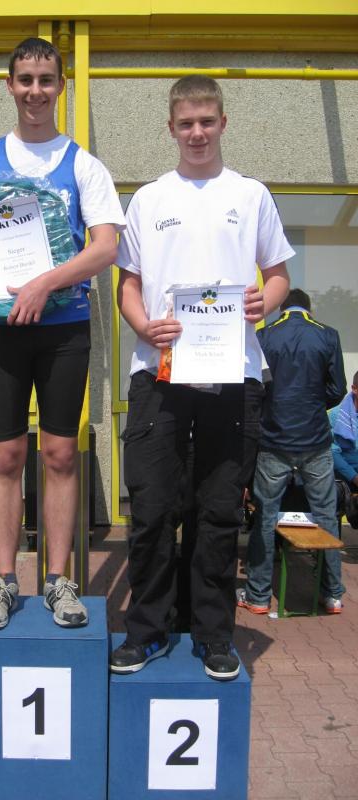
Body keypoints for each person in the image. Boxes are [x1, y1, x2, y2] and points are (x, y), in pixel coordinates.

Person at [0, 38, 124, 631]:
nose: (36, 90)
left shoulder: (83, 165)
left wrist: (44, 284)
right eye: (26, 79)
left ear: (61, 86)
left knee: (60, 454)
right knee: (7, 455)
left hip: (63, 328)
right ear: (9, 86)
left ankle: (58, 581)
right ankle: (5, 580)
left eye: (46, 79)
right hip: (0, 330)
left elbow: (106, 248)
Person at [112, 75, 293, 680]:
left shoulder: (251, 194)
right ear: (171, 128)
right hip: (159, 374)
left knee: (218, 512)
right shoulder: (149, 199)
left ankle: (214, 634)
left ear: (223, 124)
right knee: (152, 509)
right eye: (186, 123)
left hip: (233, 375)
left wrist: (264, 300)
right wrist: (144, 325)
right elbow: (129, 285)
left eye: (206, 122)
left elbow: (277, 275)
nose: (197, 133)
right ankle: (146, 631)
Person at [237, 289, 346, 616]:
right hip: (315, 440)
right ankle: (332, 595)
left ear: (282, 308)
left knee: (265, 517)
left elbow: (256, 387)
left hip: (274, 439)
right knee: (326, 515)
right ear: (308, 309)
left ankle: (258, 596)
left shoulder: (265, 335)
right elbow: (337, 389)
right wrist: (313, 407)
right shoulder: (328, 335)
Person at [330, 372, 358, 494]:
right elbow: (332, 453)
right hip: (346, 477)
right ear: (354, 389)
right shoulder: (336, 415)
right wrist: (354, 477)